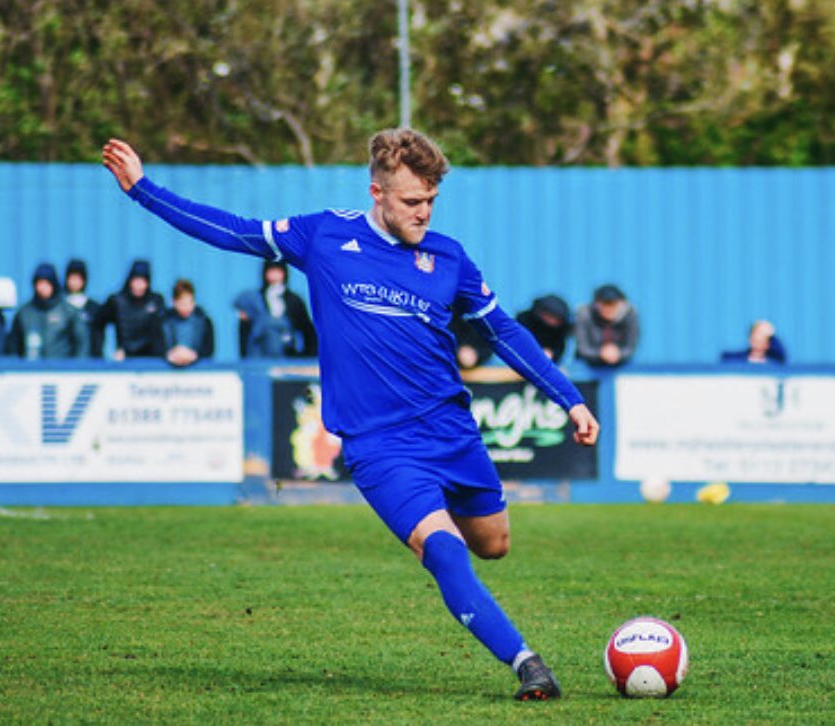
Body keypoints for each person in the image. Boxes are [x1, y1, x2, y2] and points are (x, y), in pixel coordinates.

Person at [102, 130, 599, 701]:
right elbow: (232, 231)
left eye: (431, 201)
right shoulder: (325, 235)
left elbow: (503, 330)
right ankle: (526, 663)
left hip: (451, 431)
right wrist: (143, 189)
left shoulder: (448, 258)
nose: (423, 212)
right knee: (442, 549)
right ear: (378, 192)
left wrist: (570, 398)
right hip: (377, 444)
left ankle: (454, 538)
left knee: (493, 544)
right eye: (412, 201)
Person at [234, 260, 317, 358]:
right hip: (259, 357)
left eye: (278, 271)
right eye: (271, 271)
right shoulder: (253, 299)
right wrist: (245, 358)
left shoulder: (294, 300)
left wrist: (306, 356)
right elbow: (244, 331)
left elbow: (307, 330)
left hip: (288, 358)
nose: (274, 276)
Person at [6, 262, 89, 359]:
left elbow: (81, 343)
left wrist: (76, 369)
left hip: (62, 370)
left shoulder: (68, 312)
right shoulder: (24, 313)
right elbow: (13, 346)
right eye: (39, 283)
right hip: (30, 371)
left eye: (46, 283)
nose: (42, 288)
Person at [94, 259, 167, 360]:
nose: (139, 285)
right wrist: (99, 354)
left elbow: (163, 331)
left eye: (143, 281)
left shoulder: (156, 301)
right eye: (136, 280)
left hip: (152, 359)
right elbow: (98, 323)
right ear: (130, 281)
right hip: (125, 359)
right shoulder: (116, 301)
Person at [574, 284, 639, 367]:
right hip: (588, 365)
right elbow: (582, 347)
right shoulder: (584, 314)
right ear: (596, 304)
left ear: (622, 304)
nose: (608, 308)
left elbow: (631, 347)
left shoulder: (630, 314)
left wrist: (618, 354)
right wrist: (601, 353)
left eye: (612, 304)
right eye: (604, 304)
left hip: (620, 366)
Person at [163, 279, 215, 367]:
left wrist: (194, 355)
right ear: (174, 302)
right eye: (182, 304)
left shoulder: (204, 322)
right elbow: (157, 347)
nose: (186, 307)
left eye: (190, 303)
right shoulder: (163, 321)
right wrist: (170, 354)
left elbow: (209, 349)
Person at [63, 258, 104, 357]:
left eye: (78, 278)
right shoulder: (59, 307)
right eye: (71, 278)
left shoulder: (94, 308)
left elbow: (98, 337)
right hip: (65, 365)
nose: (74, 282)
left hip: (90, 363)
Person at [516, 294, 571, 363]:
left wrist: (552, 354)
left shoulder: (560, 329)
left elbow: (559, 348)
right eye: (551, 317)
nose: (553, 322)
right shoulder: (524, 320)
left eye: (557, 319)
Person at [721, 319, 787, 364]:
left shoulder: (772, 363)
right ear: (750, 340)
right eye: (755, 337)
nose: (757, 341)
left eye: (762, 339)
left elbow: (782, 357)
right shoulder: (738, 361)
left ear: (768, 344)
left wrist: (771, 333)